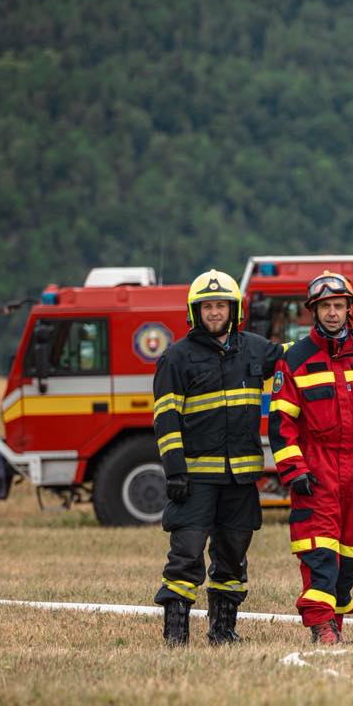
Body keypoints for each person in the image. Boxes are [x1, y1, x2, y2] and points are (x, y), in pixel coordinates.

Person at [269, 271, 353, 644]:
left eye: (338, 306)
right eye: (325, 306)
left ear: (349, 310)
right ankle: (321, 624)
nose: (332, 313)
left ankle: (335, 618)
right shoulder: (295, 360)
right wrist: (294, 468)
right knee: (319, 550)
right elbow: (281, 422)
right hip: (317, 469)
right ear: (314, 311)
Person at [152, 268, 282, 646]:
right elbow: (165, 419)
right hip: (194, 481)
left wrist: (341, 341)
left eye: (220, 305)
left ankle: (222, 631)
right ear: (195, 312)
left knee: (233, 557)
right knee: (186, 555)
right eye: (206, 306)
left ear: (234, 309)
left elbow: (298, 357)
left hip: (241, 481)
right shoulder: (176, 358)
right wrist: (174, 471)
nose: (214, 313)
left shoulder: (255, 348)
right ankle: (176, 637)